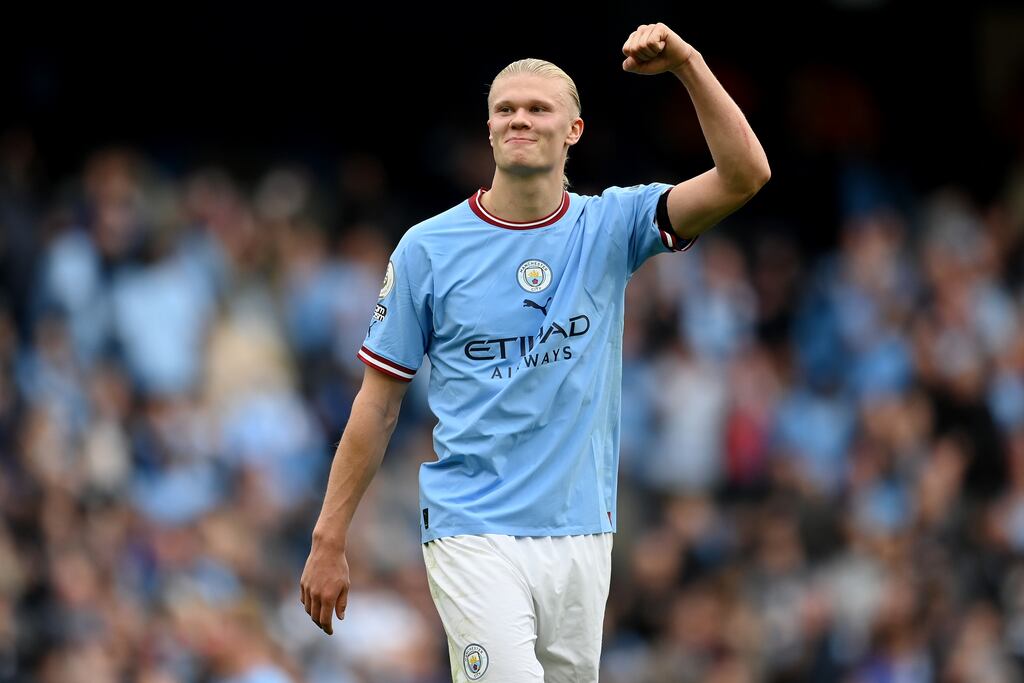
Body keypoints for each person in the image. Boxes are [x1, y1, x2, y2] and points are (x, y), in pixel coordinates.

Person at [300, 22, 770, 682]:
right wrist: (329, 535)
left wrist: (688, 63)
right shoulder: (427, 249)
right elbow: (377, 406)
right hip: (473, 528)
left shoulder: (611, 225)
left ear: (573, 130)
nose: (519, 118)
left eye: (537, 108)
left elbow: (746, 175)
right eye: (505, 109)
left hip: (582, 529)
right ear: (489, 130)